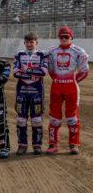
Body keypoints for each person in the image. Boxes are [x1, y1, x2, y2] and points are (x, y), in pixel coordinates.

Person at [46, 26, 89, 155]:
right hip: (56, 88)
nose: (64, 39)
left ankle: (74, 144)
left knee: (72, 117)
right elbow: (50, 70)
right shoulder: (52, 51)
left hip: (72, 88)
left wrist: (72, 81)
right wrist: (59, 80)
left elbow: (84, 71)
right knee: (54, 117)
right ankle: (53, 144)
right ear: (59, 37)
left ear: (71, 37)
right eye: (62, 37)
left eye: (66, 37)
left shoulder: (79, 51)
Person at [13, 32, 47, 155]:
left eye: (31, 42)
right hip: (22, 91)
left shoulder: (42, 55)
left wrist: (26, 70)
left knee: (37, 120)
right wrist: (33, 72)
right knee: (21, 120)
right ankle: (22, 145)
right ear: (24, 43)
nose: (29, 44)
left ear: (36, 43)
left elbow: (43, 72)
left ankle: (37, 145)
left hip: (37, 92)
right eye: (27, 42)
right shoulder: (19, 54)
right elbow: (15, 73)